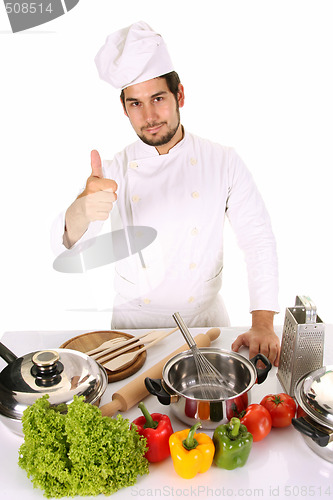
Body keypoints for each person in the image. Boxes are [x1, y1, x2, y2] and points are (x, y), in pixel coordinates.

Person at [52, 21, 281, 366]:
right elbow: (66, 250)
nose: (149, 116)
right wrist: (83, 209)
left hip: (205, 325)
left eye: (158, 98)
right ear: (124, 108)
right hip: (132, 333)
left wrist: (263, 323)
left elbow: (258, 239)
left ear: (180, 96)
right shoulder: (113, 171)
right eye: (135, 104)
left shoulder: (223, 161)